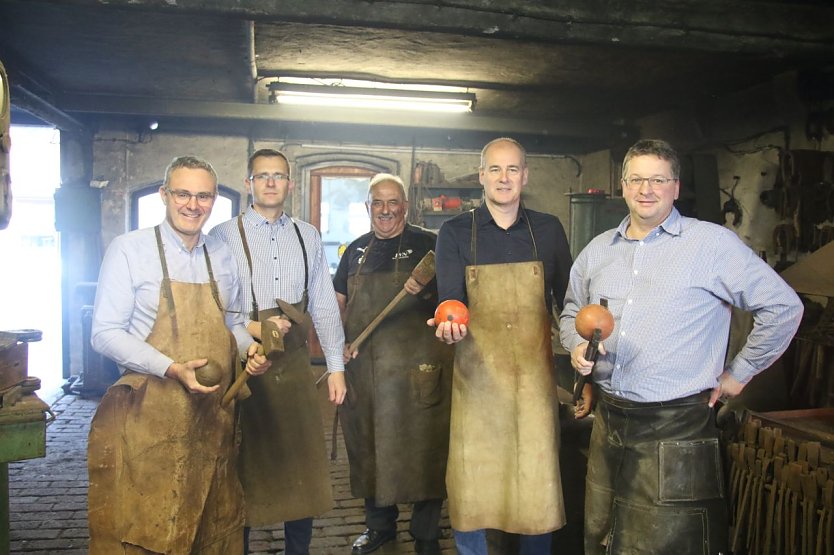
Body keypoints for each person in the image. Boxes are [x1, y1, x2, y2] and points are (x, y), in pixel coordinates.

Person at [559, 139, 804, 554]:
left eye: (658, 179)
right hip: (610, 420)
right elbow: (570, 312)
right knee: (603, 536)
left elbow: (783, 307)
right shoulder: (598, 250)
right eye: (636, 179)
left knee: (671, 544)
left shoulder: (710, 245)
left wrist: (738, 374)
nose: (646, 189)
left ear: (676, 186)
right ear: (623, 186)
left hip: (676, 424)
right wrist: (574, 346)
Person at [87, 155, 271, 554]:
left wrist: (250, 349)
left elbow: (234, 323)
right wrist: (170, 368)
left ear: (214, 200)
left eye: (203, 196)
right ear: (164, 195)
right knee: (150, 528)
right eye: (183, 194)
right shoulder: (130, 250)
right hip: (150, 417)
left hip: (213, 418)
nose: (193, 205)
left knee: (212, 526)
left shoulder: (222, 256)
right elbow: (104, 334)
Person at [431, 137, 572, 554]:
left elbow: (569, 301)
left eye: (512, 169)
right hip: (477, 383)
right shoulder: (455, 232)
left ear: (525, 176)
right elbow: (449, 301)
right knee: (471, 485)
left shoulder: (548, 230)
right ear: (482, 177)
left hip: (533, 385)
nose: (504, 178)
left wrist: (582, 344)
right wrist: (447, 325)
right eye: (495, 169)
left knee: (536, 486)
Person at [209, 148, 346, 555]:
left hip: (294, 364)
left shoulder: (308, 235)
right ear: (249, 184)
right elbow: (216, 304)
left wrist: (336, 366)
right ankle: (241, 547)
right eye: (262, 175)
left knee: (300, 464)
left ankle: (297, 550)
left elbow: (322, 302)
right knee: (244, 466)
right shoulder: (223, 235)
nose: (271, 183)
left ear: (290, 183)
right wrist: (250, 335)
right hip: (244, 363)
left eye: (279, 176)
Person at [334, 173, 454, 555]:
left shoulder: (432, 247)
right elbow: (337, 305)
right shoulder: (354, 251)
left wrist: (433, 294)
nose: (386, 210)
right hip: (366, 374)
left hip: (419, 371)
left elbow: (456, 301)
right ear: (368, 208)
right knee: (368, 448)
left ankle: (426, 533)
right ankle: (379, 527)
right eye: (377, 203)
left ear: (406, 205)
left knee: (426, 451)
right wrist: (339, 347)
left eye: (393, 202)